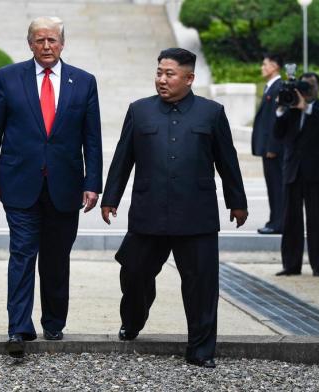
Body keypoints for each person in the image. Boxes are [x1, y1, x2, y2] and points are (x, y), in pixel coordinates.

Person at [101, 48, 248, 369]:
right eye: (159, 73)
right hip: (148, 212)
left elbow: (228, 161)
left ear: (189, 78)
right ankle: (134, 318)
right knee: (134, 272)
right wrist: (110, 197)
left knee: (201, 285)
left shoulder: (211, 113)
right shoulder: (139, 111)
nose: (162, 80)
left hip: (196, 216)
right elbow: (123, 157)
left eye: (169, 74)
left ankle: (200, 349)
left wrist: (237, 202)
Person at [0, 16, 102, 358]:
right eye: (40, 40)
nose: (46, 46)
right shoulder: (8, 77)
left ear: (63, 43)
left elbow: (92, 139)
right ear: (30, 43)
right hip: (18, 182)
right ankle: (18, 327)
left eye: (52, 40)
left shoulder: (84, 82)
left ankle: (53, 321)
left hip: (66, 186)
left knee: (56, 256)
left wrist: (93, 183)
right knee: (22, 253)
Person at [274, 72, 319, 277]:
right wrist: (282, 109)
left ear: (318, 88)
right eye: (304, 86)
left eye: (311, 86)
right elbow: (278, 134)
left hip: (315, 171)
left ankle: (318, 265)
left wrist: (306, 107)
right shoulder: (290, 107)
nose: (307, 90)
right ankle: (291, 265)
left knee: (316, 219)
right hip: (292, 169)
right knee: (291, 219)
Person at [252, 54, 284, 234]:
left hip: (274, 150)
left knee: (277, 186)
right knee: (273, 186)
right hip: (268, 149)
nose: (262, 68)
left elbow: (276, 120)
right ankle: (275, 220)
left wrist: (272, 146)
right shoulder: (270, 87)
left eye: (264, 65)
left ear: (274, 66)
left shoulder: (279, 88)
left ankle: (277, 223)